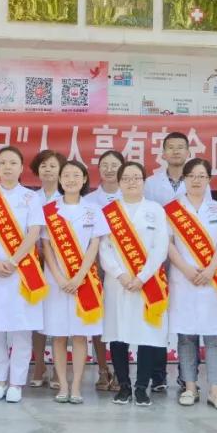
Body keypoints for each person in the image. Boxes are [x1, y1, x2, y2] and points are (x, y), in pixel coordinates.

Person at [0, 146, 47, 404]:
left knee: (21, 328)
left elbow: (33, 232)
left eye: (13, 162)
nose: (7, 167)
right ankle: (0, 381)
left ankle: (16, 383)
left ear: (21, 167)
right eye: (3, 162)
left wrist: (14, 261)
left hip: (22, 269)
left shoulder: (31, 197)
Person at [98, 162, 170, 407]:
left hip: (147, 283)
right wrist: (120, 274)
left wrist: (142, 276)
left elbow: (160, 246)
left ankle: (141, 388)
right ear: (119, 182)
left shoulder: (155, 210)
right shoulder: (109, 212)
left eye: (136, 177)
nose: (131, 182)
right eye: (126, 178)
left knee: (146, 335)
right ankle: (124, 386)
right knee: (118, 334)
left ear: (144, 181)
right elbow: (104, 248)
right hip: (118, 283)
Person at [165, 158, 217, 411]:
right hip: (183, 279)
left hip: (213, 280)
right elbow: (168, 243)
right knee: (186, 337)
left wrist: (212, 268)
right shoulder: (172, 209)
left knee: (214, 337)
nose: (196, 180)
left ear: (209, 180)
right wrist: (185, 268)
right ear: (184, 179)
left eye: (201, 176)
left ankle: (216, 391)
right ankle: (190, 387)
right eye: (191, 175)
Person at [41, 160, 106, 404]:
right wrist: (59, 277)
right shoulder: (49, 210)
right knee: (58, 336)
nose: (70, 179)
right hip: (56, 281)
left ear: (84, 179)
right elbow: (46, 246)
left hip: (84, 280)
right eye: (66, 175)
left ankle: (76, 386)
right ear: (59, 179)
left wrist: (79, 277)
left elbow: (94, 245)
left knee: (80, 335)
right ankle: (62, 385)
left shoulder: (94, 210)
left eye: (76, 175)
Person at [144, 132, 190, 392]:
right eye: (170, 147)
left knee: (185, 317)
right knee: (157, 312)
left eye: (180, 147)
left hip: (188, 256)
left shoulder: (197, 180)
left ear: (188, 152)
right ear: (162, 153)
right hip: (157, 257)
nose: (175, 151)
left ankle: (186, 376)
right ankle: (158, 375)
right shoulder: (151, 183)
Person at [83, 150, 124, 393]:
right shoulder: (88, 201)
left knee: (119, 319)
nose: (109, 169)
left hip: (123, 271)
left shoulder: (130, 198)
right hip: (94, 268)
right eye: (104, 165)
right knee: (98, 321)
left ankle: (120, 370)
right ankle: (102, 369)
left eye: (114, 165)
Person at [29, 149, 64, 389]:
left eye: (52, 165)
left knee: (59, 318)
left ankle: (59, 370)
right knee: (36, 317)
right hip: (32, 264)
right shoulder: (30, 198)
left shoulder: (68, 198)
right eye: (43, 166)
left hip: (60, 266)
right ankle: (39, 365)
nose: (48, 170)